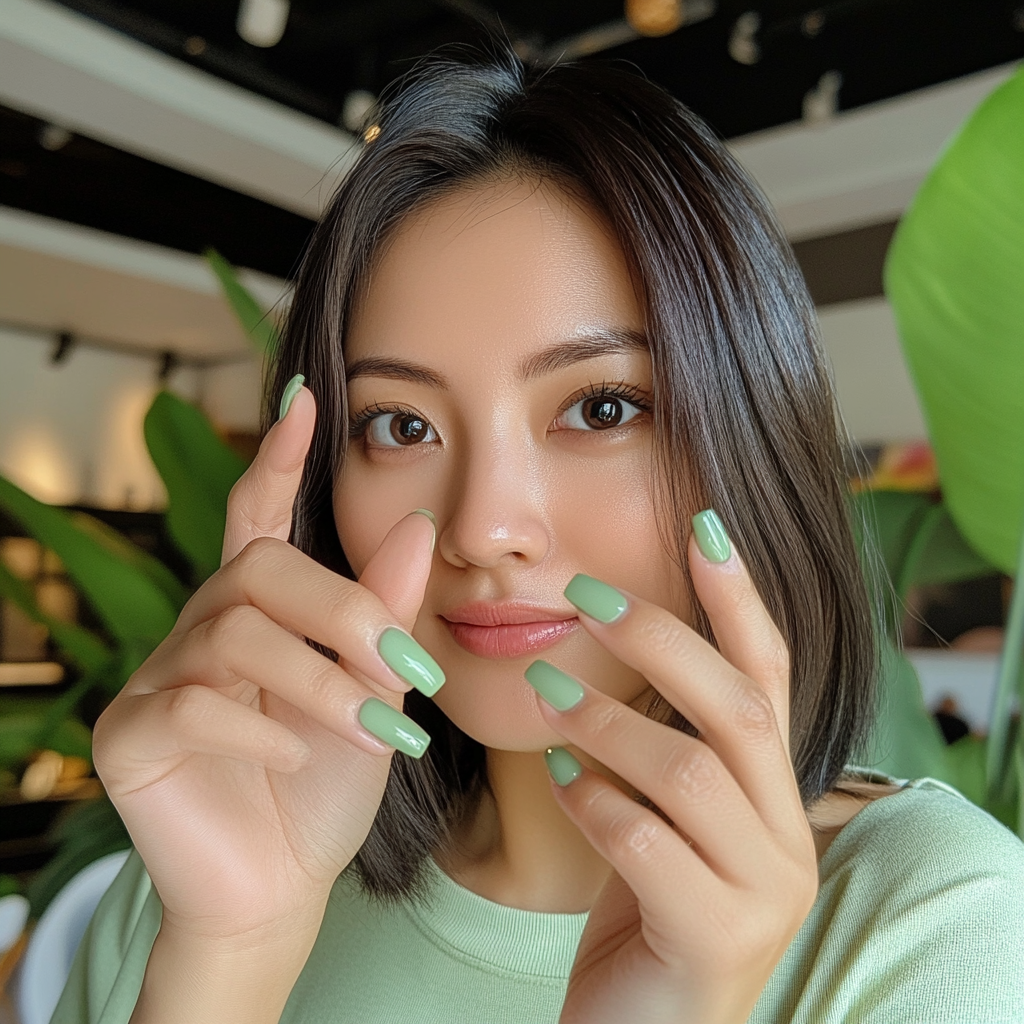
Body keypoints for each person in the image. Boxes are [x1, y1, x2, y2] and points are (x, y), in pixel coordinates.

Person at [52, 45, 1024, 1024]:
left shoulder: (937, 924)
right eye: (400, 425)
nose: (484, 527)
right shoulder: (196, 881)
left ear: (751, 434)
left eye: (601, 408)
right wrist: (230, 952)